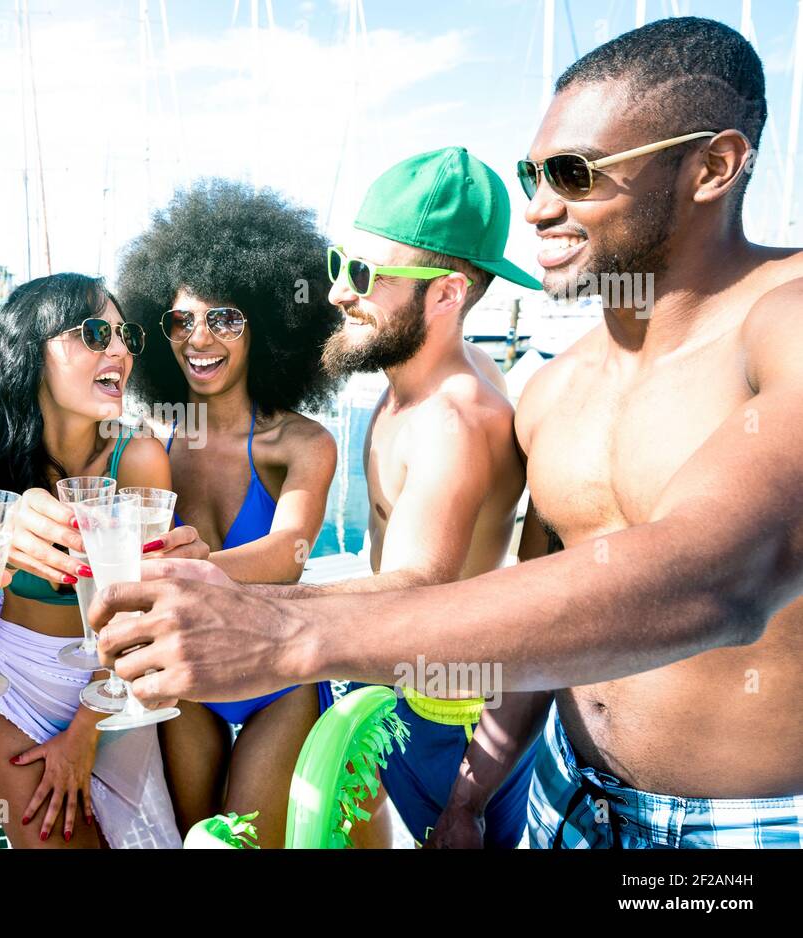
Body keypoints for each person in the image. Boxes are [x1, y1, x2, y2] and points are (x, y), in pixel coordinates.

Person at [91, 17, 803, 848]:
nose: (538, 208)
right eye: (532, 173)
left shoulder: (784, 319)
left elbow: (721, 575)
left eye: (574, 174)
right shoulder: (555, 388)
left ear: (712, 165)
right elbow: (548, 610)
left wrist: (287, 628)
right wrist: (474, 791)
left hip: (747, 826)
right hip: (564, 801)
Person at [316, 148, 547, 849]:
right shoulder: (413, 372)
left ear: (446, 294)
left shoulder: (453, 420)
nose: (336, 291)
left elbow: (410, 595)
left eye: (361, 274)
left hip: (441, 717)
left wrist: (230, 604)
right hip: (393, 685)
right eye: (337, 263)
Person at [115, 179, 340, 847]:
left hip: (277, 676)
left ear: (268, 325)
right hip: (186, 675)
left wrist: (197, 566)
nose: (198, 337)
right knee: (196, 841)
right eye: (180, 320)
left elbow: (288, 551)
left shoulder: (300, 443)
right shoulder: (151, 443)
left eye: (225, 318)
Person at [0, 272, 182, 848]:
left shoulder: (140, 456)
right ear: (33, 350)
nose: (121, 349)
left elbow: (142, 618)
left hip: (115, 686)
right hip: (14, 687)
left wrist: (86, 726)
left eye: (125, 334)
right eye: (97, 332)